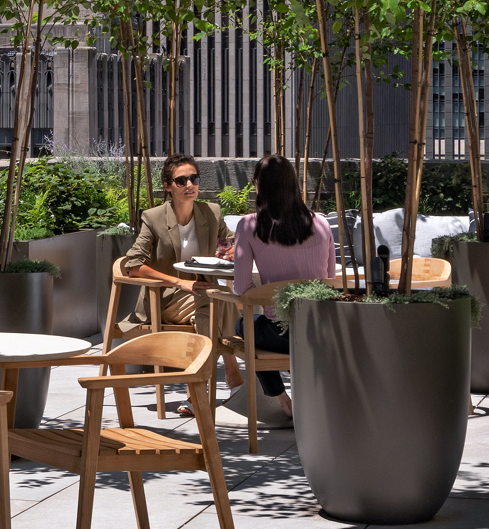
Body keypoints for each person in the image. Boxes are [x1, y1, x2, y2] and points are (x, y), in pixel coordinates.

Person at [203, 155, 335, 418]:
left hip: (281, 335)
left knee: (245, 326)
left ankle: (281, 398)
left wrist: (268, 296)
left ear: (257, 185)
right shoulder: (321, 222)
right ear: (294, 185)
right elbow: (329, 280)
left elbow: (241, 288)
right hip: (322, 332)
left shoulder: (250, 225)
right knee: (255, 326)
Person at [120, 154, 233, 331]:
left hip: (200, 294)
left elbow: (229, 243)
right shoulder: (153, 218)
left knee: (205, 316)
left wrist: (236, 248)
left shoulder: (212, 213)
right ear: (167, 186)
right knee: (223, 295)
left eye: (194, 179)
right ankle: (233, 358)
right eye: (181, 181)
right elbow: (133, 266)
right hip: (164, 298)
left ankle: (206, 359)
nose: (190, 185)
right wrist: (180, 283)